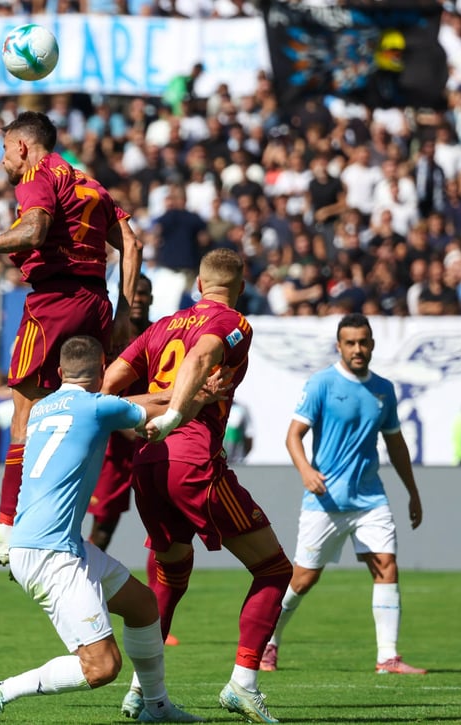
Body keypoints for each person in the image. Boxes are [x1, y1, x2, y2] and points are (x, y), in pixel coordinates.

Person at [0, 110, 143, 567]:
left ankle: (7, 531)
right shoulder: (89, 184)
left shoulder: (36, 176)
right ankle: (61, 526)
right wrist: (126, 312)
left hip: (53, 303)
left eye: (6, 150)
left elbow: (35, 229)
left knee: (24, 417)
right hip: (97, 304)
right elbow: (132, 241)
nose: (3, 161)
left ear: (24, 147)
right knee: (77, 415)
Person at [0, 336, 200, 725]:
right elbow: (157, 408)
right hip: (50, 554)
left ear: (60, 372)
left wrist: (172, 395)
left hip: (55, 544)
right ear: (104, 367)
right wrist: (199, 393)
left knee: (144, 607)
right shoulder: (96, 408)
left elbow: (135, 405)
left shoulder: (42, 408)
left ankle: (156, 708)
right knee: (101, 667)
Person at [105, 248, 292, 723]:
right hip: (190, 457)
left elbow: (109, 385)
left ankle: (141, 695)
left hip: (147, 463)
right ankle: (242, 684)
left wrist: (153, 407)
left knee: (170, 575)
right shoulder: (236, 323)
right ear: (241, 287)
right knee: (273, 570)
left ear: (197, 287)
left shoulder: (161, 325)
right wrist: (172, 413)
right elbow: (204, 353)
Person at [261, 313, 426, 677]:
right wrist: (306, 471)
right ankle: (268, 642)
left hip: (370, 498)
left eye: (363, 342)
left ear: (372, 344)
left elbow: (396, 444)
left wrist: (412, 492)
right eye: (350, 343)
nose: (357, 349)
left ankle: (388, 658)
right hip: (326, 500)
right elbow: (293, 435)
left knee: (386, 566)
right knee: (303, 578)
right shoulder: (321, 384)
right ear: (339, 346)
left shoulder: (384, 389)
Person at [88, 275, 154, 552]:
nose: (138, 299)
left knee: (164, 527)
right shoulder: (110, 339)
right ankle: (82, 587)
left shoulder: (159, 334)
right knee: (102, 531)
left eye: (143, 294)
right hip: (115, 448)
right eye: (133, 294)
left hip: (151, 443)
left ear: (151, 298)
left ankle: (160, 594)